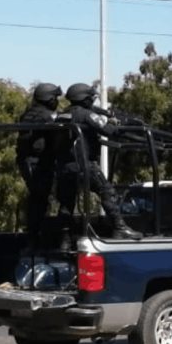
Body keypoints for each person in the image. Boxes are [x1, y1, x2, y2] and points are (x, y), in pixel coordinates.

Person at [56, 83, 142, 242]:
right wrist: (123, 124)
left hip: (65, 167)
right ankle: (120, 228)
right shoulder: (86, 115)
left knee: (66, 203)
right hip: (85, 165)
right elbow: (109, 131)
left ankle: (65, 239)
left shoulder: (62, 115)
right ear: (85, 99)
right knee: (107, 192)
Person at [15, 82, 63, 247]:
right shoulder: (41, 115)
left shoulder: (33, 113)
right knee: (40, 199)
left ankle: (36, 235)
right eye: (55, 98)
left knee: (41, 199)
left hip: (36, 162)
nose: (57, 101)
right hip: (35, 163)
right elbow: (58, 120)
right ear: (48, 98)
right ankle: (35, 237)